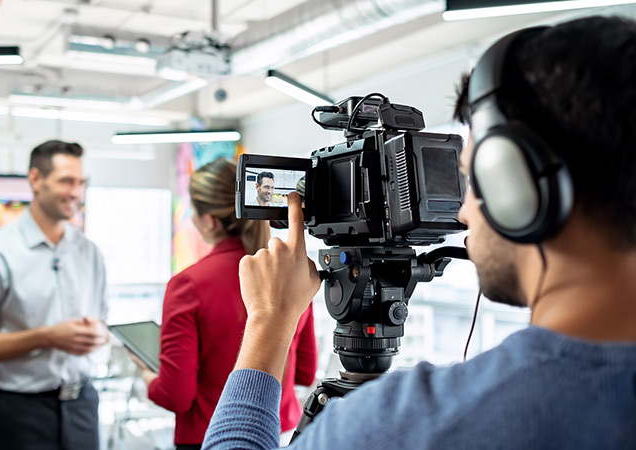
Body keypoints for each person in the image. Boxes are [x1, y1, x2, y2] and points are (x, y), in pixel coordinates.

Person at [202, 16, 636, 450]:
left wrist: (270, 319)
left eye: (472, 180)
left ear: (518, 184)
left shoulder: (401, 425)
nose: (463, 213)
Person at [131, 157, 316, 450]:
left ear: (209, 221)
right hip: (285, 435)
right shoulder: (287, 277)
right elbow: (305, 372)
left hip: (211, 437)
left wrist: (147, 375)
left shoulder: (187, 285)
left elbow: (176, 395)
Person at [0, 140, 108, 450]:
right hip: (20, 415)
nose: (76, 192)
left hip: (83, 406)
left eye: (81, 182)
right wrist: (47, 336)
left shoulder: (90, 253)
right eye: (66, 181)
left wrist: (98, 334)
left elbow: (102, 323)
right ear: (35, 179)